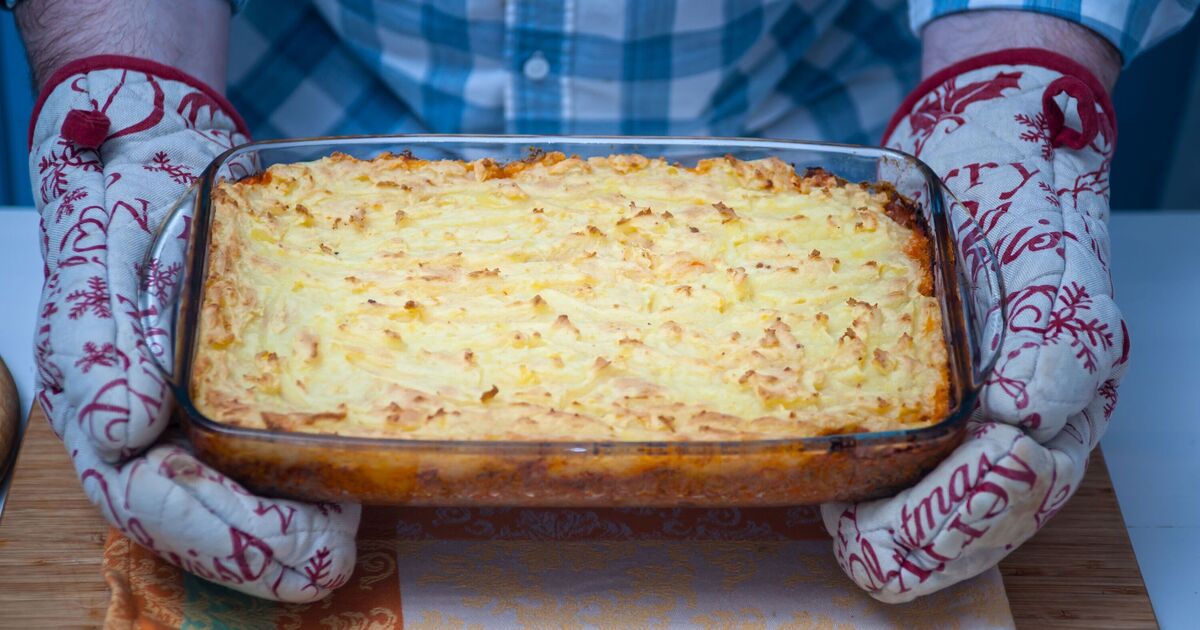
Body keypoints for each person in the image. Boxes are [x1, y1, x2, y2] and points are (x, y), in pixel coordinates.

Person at [11, 0, 1194, 603]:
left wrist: (1020, 103)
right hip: (295, 172)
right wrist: (130, 98)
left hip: (825, 169)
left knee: (908, 349)